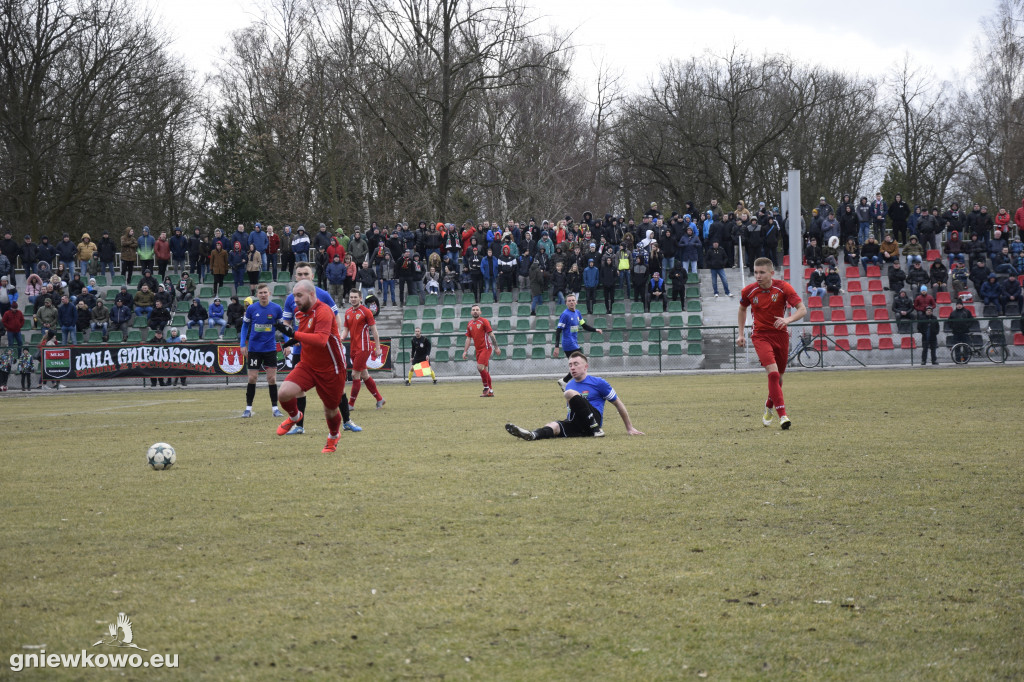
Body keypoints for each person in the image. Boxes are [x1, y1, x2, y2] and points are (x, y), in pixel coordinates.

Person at [279, 261, 360, 434]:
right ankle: (299, 425)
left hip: (325, 352)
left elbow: (336, 319)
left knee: (338, 391)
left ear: (312, 276)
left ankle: (346, 421)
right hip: (302, 350)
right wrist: (288, 342)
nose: (302, 276)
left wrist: (337, 340)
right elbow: (286, 323)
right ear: (295, 276)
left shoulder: (323, 296)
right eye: (299, 274)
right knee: (298, 389)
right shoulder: (291, 299)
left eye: (305, 274)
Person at [272, 281, 350, 452]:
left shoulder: (324, 311)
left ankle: (333, 436)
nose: (295, 299)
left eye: (299, 295)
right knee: (284, 393)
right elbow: (307, 334)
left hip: (332, 368)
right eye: (294, 296)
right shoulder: (300, 312)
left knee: (330, 411)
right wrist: (292, 341)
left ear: (312, 294)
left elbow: (321, 340)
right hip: (308, 364)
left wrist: (292, 333)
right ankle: (295, 416)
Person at [505, 351, 644, 440]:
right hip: (577, 425)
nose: (572, 367)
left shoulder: (599, 383)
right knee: (552, 425)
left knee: (569, 393)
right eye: (570, 365)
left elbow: (618, 403)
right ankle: (532, 435)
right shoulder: (570, 384)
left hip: (594, 421)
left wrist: (629, 427)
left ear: (586, 366)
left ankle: (597, 430)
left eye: (576, 364)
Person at [736, 257, 807, 429]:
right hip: (760, 336)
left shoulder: (783, 288)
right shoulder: (749, 291)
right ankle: (783, 416)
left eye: (762, 272)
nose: (758, 276)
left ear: (771, 273)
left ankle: (769, 406)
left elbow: (802, 309)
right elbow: (742, 308)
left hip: (781, 336)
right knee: (773, 374)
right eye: (755, 272)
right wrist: (741, 334)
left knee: (779, 379)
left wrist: (787, 319)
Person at [239, 283, 285, 418]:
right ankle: (248, 408)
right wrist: (243, 344)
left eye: (265, 292)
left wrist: (287, 343)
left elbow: (282, 328)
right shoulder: (252, 309)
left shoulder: (276, 308)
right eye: (261, 293)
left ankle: (275, 408)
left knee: (271, 379)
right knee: (252, 378)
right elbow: (244, 327)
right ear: (257, 295)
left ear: (269, 293)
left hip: (270, 348)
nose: (263, 295)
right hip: (254, 349)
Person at [342, 289, 385, 409]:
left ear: (360, 298)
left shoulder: (366, 312)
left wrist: (378, 348)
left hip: (364, 347)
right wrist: (341, 338)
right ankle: (379, 399)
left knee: (355, 374)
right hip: (353, 347)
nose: (353, 299)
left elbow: (374, 331)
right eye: (351, 297)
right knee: (364, 375)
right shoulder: (348, 312)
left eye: (355, 297)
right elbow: (346, 330)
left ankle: (350, 404)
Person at [553, 293, 603, 388]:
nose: (571, 302)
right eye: (569, 301)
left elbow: (583, 325)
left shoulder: (577, 313)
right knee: (581, 363)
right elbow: (558, 330)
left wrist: (595, 329)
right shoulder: (565, 315)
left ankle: (565, 381)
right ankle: (580, 384)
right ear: (566, 303)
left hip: (574, 343)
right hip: (568, 344)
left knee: (578, 365)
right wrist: (556, 347)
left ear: (576, 302)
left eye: (573, 300)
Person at [462, 303, 501, 397]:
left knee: (480, 367)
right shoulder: (470, 324)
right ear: (471, 312)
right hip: (478, 350)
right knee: (485, 371)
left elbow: (491, 335)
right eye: (473, 310)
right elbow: (468, 338)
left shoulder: (484, 321)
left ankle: (486, 387)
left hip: (486, 348)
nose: (475, 311)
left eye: (477, 310)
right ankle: (491, 391)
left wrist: (496, 347)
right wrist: (465, 351)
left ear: (480, 312)